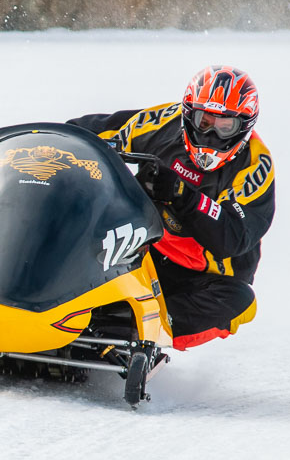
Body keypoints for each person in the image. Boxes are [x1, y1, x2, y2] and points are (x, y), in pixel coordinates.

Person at [68, 65, 275, 350]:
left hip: (198, 277)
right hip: (138, 246)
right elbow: (83, 133)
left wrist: (183, 195)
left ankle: (134, 331)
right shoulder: (164, 120)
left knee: (240, 303)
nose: (212, 135)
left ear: (245, 126)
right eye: (204, 122)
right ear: (188, 114)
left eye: (226, 126)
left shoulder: (256, 167)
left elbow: (232, 236)